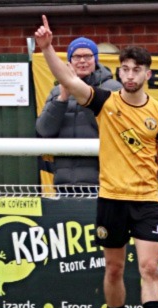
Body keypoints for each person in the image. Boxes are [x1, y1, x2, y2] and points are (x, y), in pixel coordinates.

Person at [35, 15, 158, 308]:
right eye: (125, 69)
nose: (129, 75)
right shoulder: (104, 102)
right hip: (111, 199)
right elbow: (67, 77)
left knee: (148, 268)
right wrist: (47, 48)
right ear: (119, 73)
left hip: (146, 201)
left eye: (136, 70)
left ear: (147, 74)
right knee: (114, 269)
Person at [35, 37, 122, 196]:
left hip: (105, 183)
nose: (82, 61)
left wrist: (84, 94)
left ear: (95, 59)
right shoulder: (57, 91)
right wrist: (62, 99)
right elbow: (44, 130)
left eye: (88, 56)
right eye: (77, 57)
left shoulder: (113, 89)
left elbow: (115, 128)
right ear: (69, 61)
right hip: (64, 182)